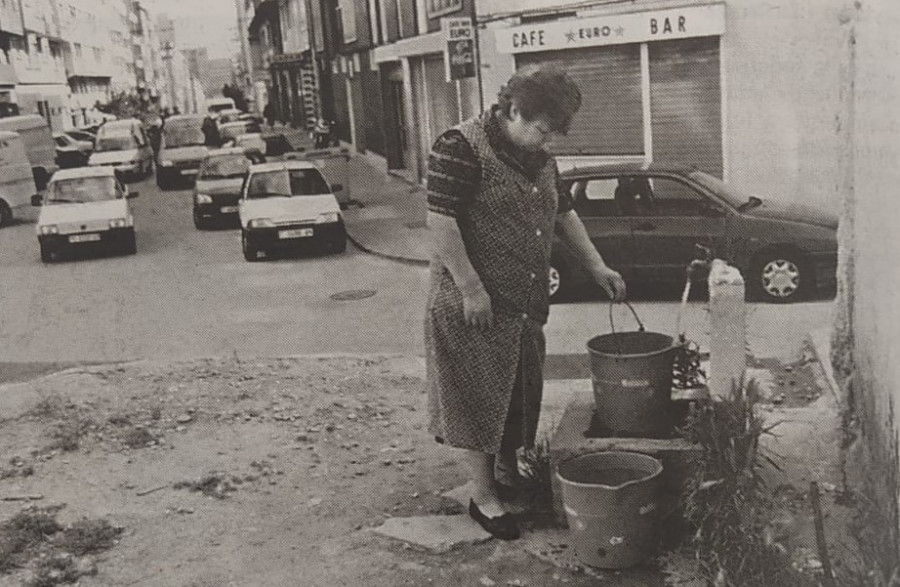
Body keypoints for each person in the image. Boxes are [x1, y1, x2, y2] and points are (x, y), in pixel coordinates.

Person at [425, 66, 627, 541]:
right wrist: (471, 288)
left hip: (523, 303)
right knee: (477, 397)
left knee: (518, 391)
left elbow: (564, 213)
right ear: (513, 110)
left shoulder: (538, 157)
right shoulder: (459, 147)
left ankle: (509, 471)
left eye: (557, 132)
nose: (550, 141)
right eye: (543, 129)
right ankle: (483, 495)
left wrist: (597, 266)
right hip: (473, 302)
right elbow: (441, 221)